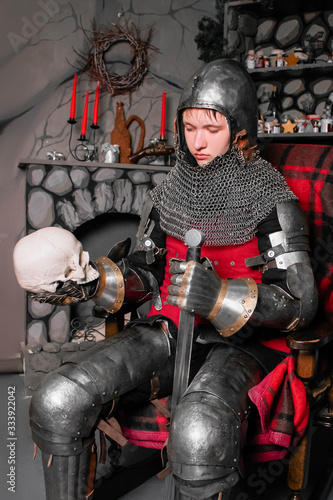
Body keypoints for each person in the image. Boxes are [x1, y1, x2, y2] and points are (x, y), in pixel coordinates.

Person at [13, 59, 318, 500]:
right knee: (58, 401)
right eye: (189, 127)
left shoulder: (272, 200)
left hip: (244, 342)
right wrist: (97, 281)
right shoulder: (171, 192)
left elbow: (300, 303)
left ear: (241, 130)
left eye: (211, 129)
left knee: (198, 433)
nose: (197, 142)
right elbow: (148, 272)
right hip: (169, 326)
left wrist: (218, 297)